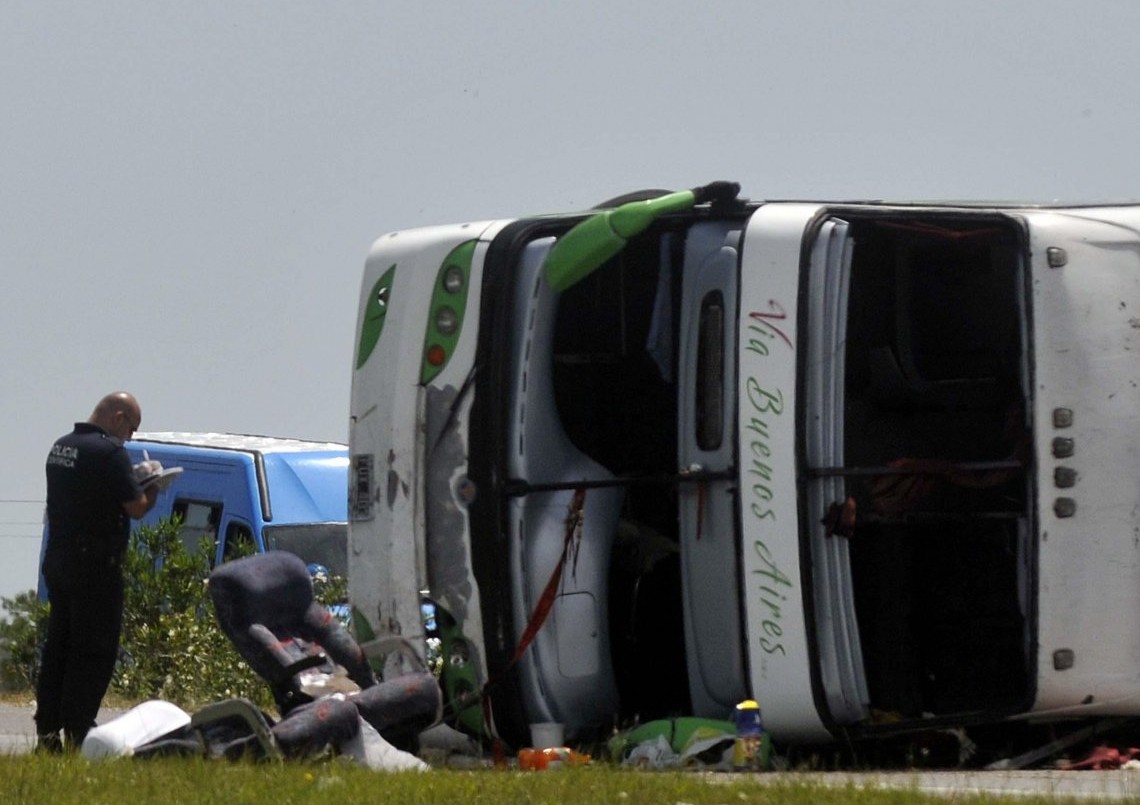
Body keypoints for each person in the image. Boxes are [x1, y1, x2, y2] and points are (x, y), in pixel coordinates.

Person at [35, 392, 159, 752]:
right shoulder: (109, 453)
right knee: (92, 652)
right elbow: (135, 507)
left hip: (59, 561)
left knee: (58, 646)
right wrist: (153, 487)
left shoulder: (61, 447)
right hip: (95, 568)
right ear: (118, 417)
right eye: (132, 428)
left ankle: (47, 732)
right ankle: (78, 731)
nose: (131, 437)